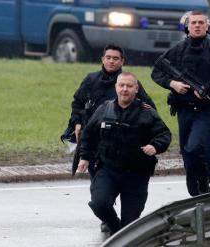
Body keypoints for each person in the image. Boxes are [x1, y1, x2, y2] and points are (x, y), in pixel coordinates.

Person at [63, 44, 155, 233]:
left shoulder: (129, 82)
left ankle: (124, 219)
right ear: (102, 59)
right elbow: (78, 103)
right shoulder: (91, 80)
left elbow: (148, 107)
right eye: (108, 57)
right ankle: (107, 214)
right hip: (93, 138)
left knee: (124, 183)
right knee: (99, 183)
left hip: (121, 142)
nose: (111, 61)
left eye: (116, 58)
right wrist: (77, 123)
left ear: (122, 61)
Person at [151, 10, 210, 196]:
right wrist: (172, 83)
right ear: (187, 26)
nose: (197, 25)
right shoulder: (177, 50)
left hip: (208, 110)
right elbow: (156, 71)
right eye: (193, 22)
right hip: (184, 110)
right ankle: (196, 189)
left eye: (201, 22)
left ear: (207, 26)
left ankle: (204, 180)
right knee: (187, 152)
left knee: (198, 148)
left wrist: (208, 87)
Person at [77, 72, 171, 235]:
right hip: (108, 169)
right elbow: (88, 135)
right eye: (121, 85)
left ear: (136, 89)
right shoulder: (104, 109)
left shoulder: (146, 112)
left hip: (136, 173)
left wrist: (155, 146)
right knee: (99, 204)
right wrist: (85, 157)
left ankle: (123, 232)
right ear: (116, 88)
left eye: (129, 86)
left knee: (130, 223)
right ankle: (115, 228)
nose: (124, 89)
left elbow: (164, 134)